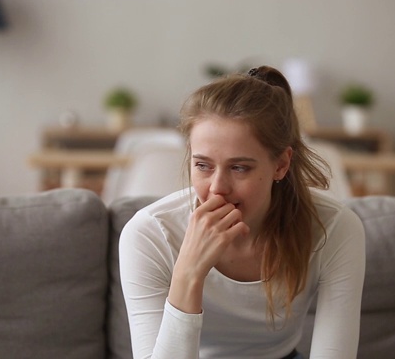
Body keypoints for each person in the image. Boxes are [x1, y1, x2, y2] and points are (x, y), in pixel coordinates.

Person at [119, 66, 366, 359]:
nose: (217, 188)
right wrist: (188, 272)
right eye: (203, 165)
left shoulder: (334, 227)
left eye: (239, 168)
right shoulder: (149, 234)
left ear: (281, 165)